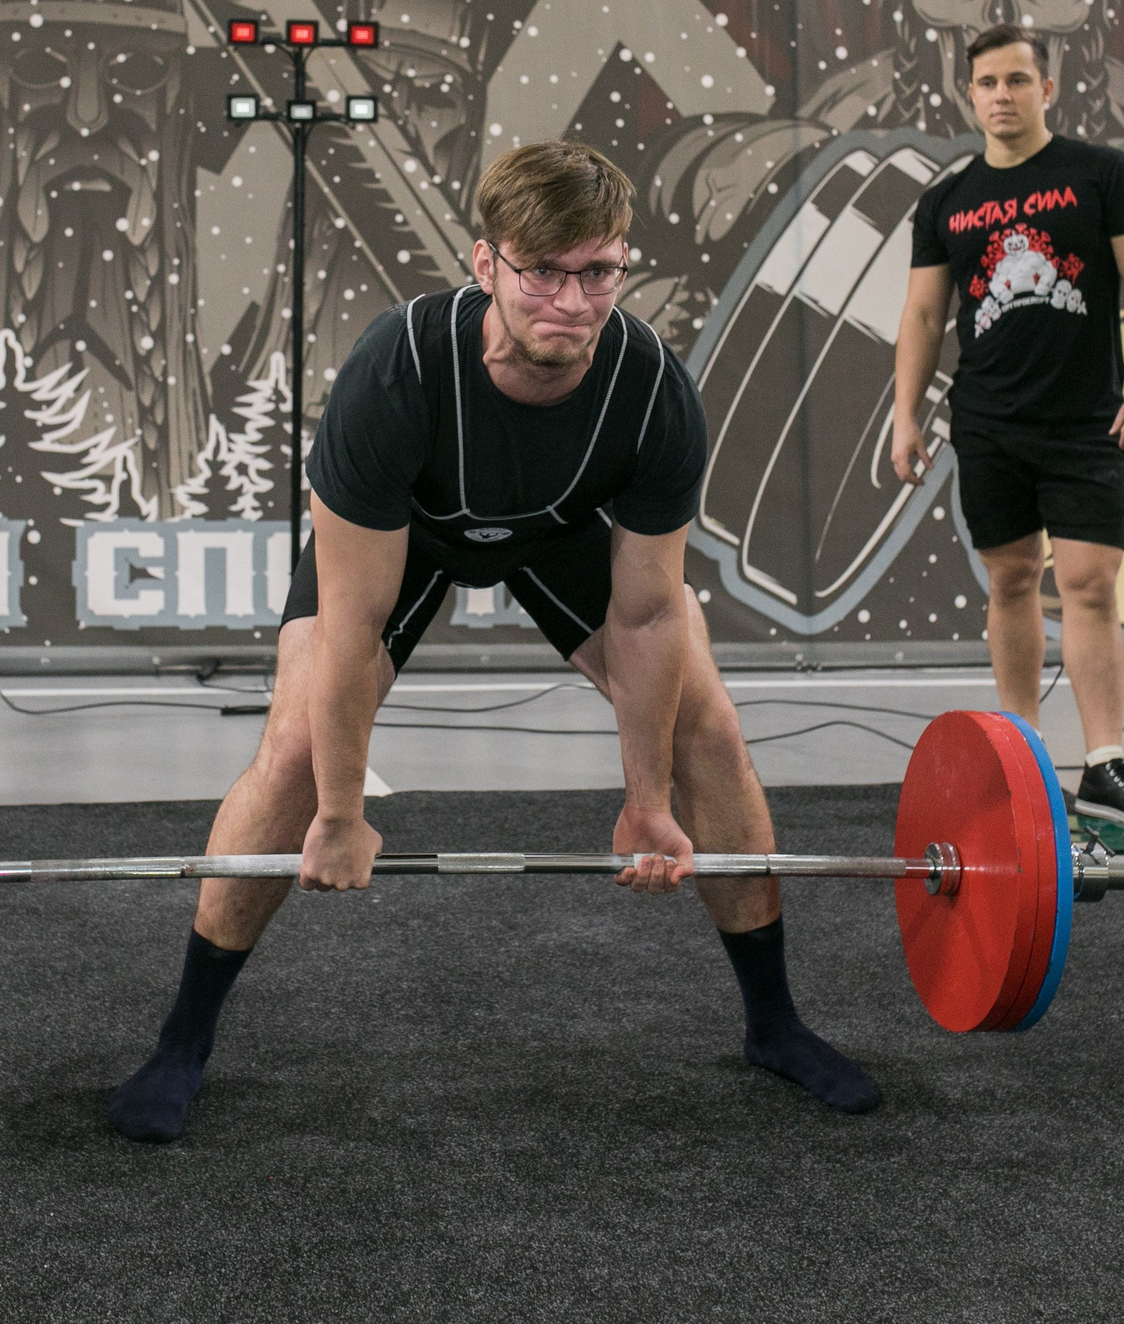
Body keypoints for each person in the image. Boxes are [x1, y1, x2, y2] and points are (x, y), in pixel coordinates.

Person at [106, 140, 880, 1144]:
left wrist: (647, 804)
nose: (571, 298)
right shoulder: (400, 368)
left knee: (710, 733)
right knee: (296, 752)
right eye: (543, 271)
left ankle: (775, 1025)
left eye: (596, 271)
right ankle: (182, 1042)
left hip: (558, 534)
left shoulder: (650, 391)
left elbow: (647, 614)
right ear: (486, 266)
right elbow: (350, 621)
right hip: (406, 536)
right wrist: (340, 814)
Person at [888, 22, 1124, 828]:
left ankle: (1106, 762)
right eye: (987, 82)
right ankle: (1023, 758)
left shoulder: (1102, 173)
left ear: (1048, 88)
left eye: (1017, 80)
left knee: (1089, 584)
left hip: (1086, 421)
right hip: (987, 424)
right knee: (1010, 581)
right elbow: (921, 311)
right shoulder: (947, 199)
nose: (1002, 95)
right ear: (969, 93)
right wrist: (905, 413)